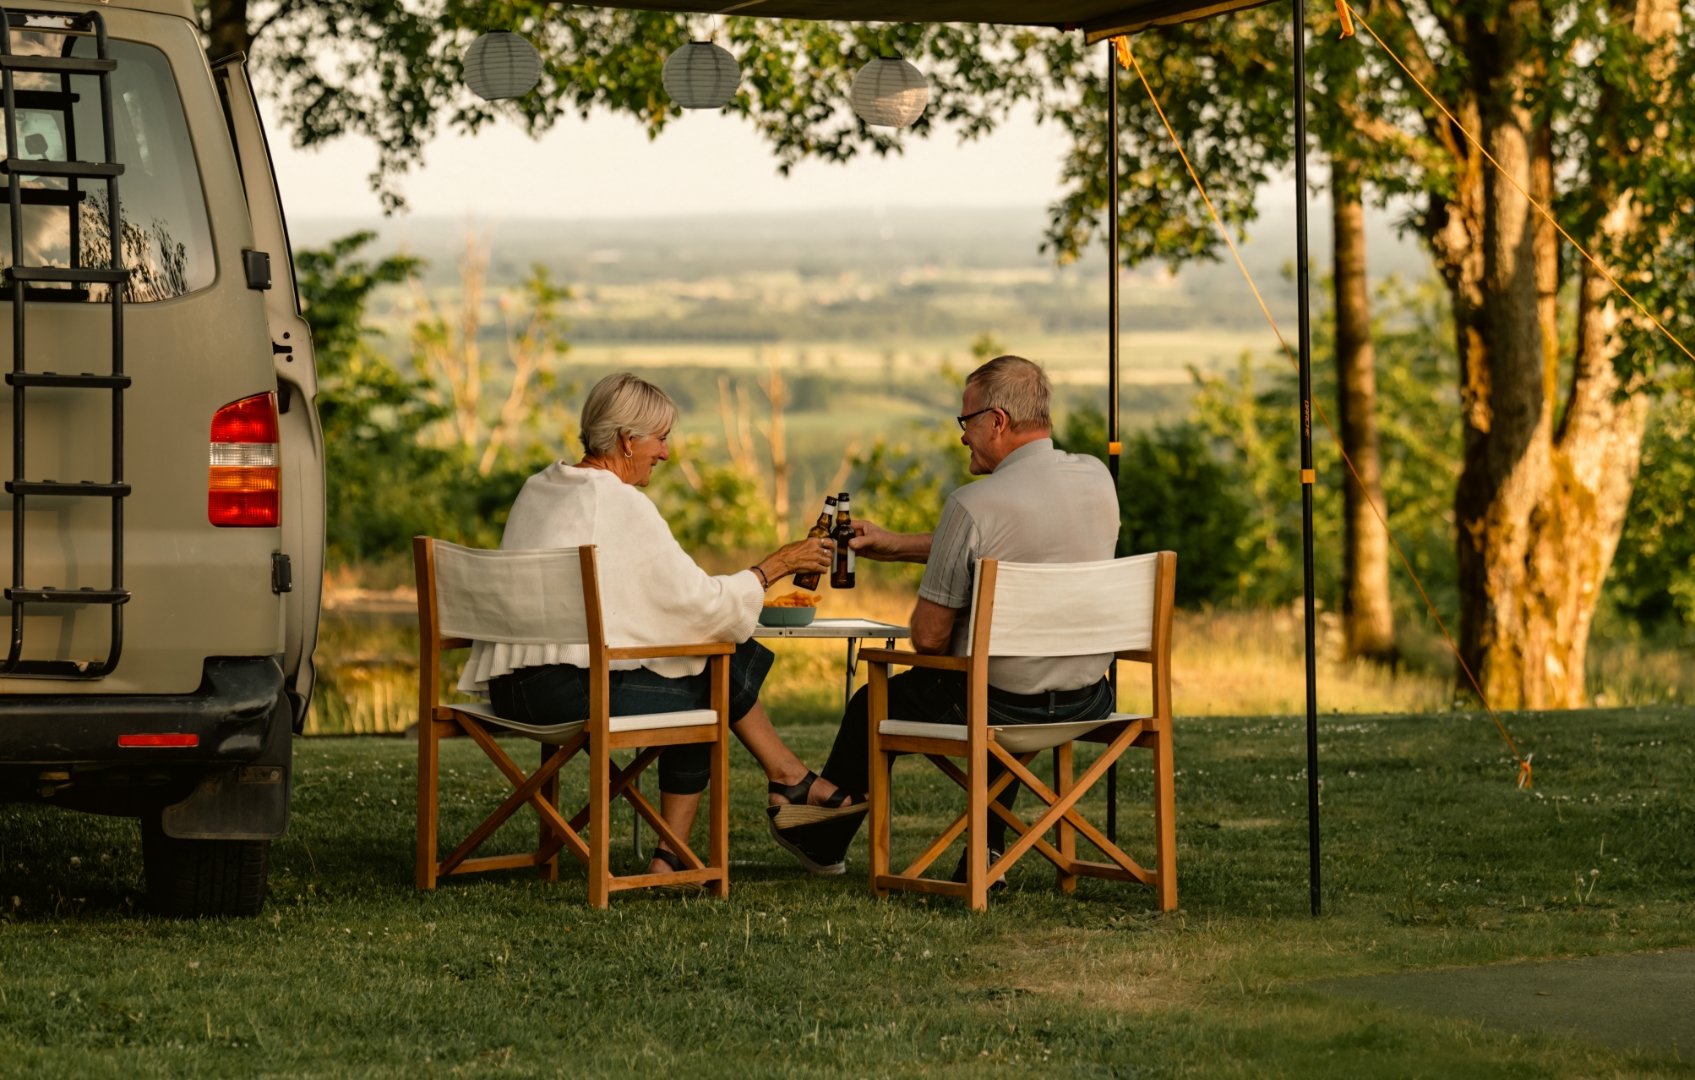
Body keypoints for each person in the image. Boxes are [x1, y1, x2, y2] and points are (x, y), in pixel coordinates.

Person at [457, 372, 865, 878]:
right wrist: (776, 565)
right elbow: (700, 605)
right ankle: (736, 814)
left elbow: (645, 604)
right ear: (628, 440)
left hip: (508, 689)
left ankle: (777, 786)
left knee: (708, 668)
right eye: (661, 438)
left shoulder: (540, 488)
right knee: (709, 688)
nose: (666, 453)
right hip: (566, 695)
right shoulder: (618, 503)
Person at [773, 355, 1121, 881]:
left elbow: (929, 639)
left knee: (878, 699)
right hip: (1089, 695)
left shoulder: (973, 504)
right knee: (1003, 683)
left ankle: (825, 839)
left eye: (967, 422)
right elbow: (1015, 543)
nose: (963, 437)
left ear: (997, 421)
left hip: (999, 703)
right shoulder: (1097, 477)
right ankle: (987, 853)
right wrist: (893, 545)